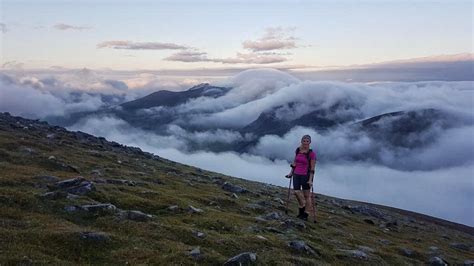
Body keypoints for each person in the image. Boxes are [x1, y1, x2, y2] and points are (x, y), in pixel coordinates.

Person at [286, 135, 317, 220]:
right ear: (301, 141)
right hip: (296, 174)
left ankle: (305, 214)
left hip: (306, 175)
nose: (305, 143)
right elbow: (295, 162)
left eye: (307, 141)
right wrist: (290, 173)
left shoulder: (311, 154)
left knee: (307, 196)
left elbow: (312, 168)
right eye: (304, 141)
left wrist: (310, 180)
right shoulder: (298, 150)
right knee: (296, 192)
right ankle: (302, 205)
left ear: (310, 142)